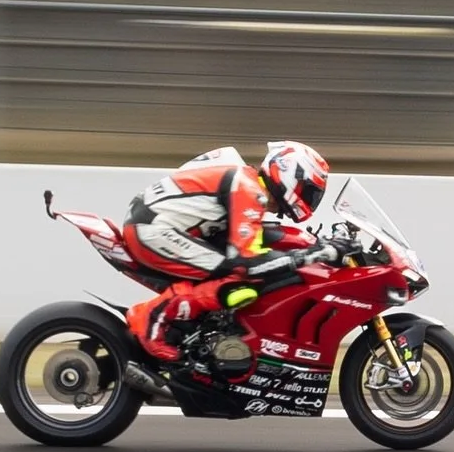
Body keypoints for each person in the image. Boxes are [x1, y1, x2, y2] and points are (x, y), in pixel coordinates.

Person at [123, 140, 334, 362]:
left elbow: (256, 238)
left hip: (158, 226)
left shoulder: (247, 183)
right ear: (289, 174)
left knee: (240, 276)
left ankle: (198, 334)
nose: (310, 199)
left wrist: (312, 245)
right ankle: (150, 316)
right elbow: (248, 261)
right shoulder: (248, 188)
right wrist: (315, 255)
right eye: (309, 191)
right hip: (153, 231)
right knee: (239, 279)